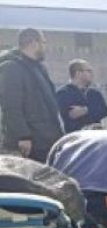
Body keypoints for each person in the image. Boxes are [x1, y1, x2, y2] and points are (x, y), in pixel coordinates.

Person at [0, 28, 63, 163]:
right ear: (34, 43)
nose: (45, 47)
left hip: (47, 139)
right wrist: (23, 136)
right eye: (44, 42)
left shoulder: (39, 68)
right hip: (30, 142)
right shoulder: (12, 68)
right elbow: (11, 106)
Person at [55, 59, 107, 134]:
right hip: (75, 138)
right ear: (78, 73)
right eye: (89, 71)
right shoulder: (63, 93)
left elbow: (104, 111)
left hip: (95, 135)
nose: (92, 74)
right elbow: (71, 115)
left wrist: (85, 110)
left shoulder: (95, 93)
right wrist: (93, 111)